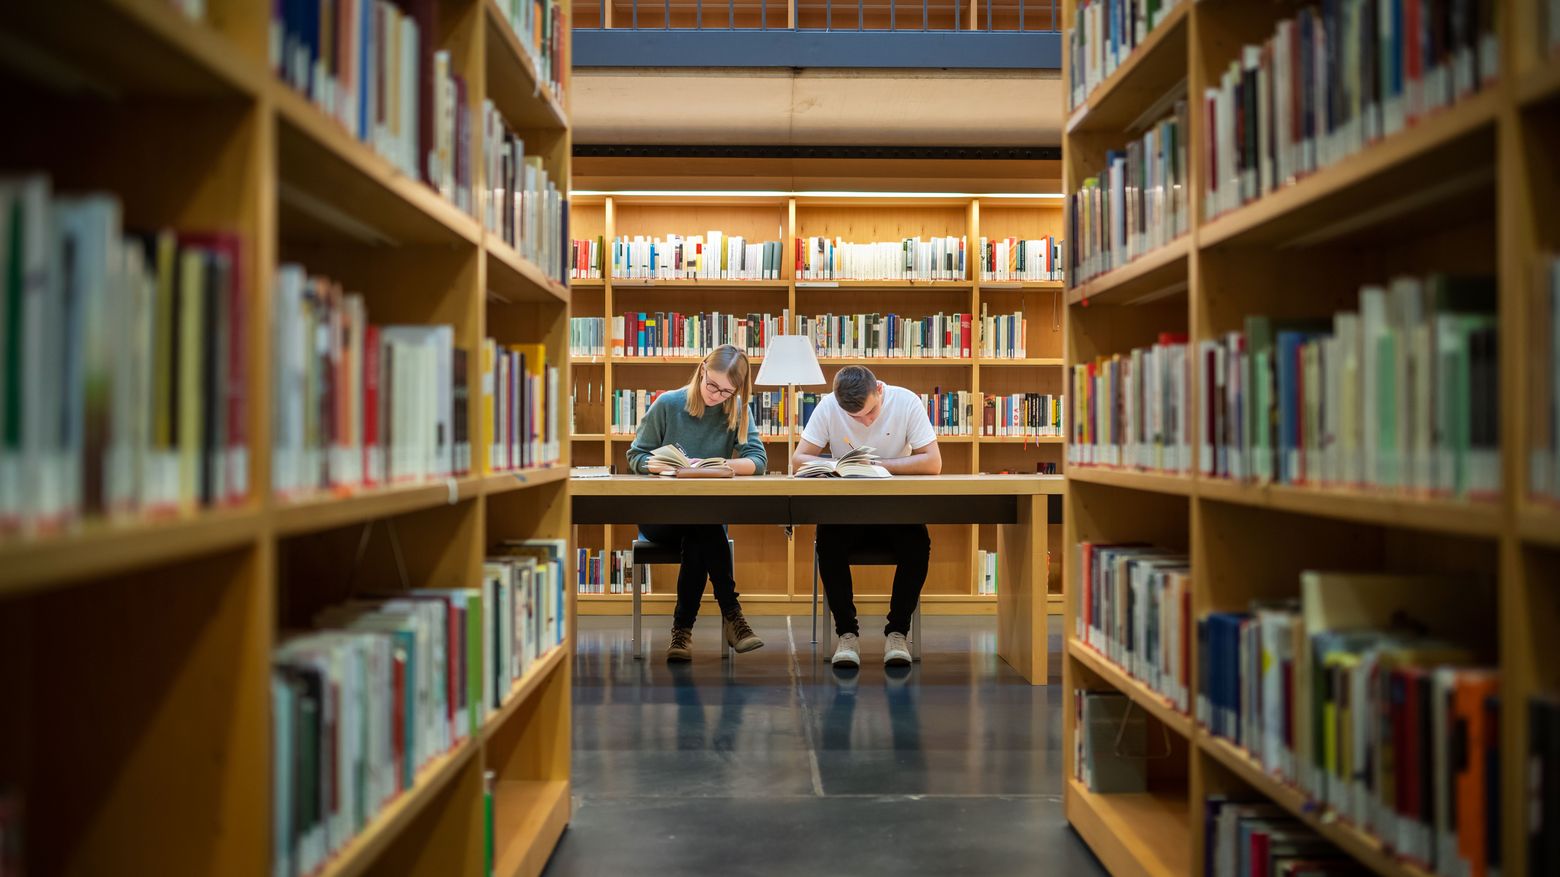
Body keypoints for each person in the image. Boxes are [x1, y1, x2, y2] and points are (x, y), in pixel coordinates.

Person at [791, 365, 942, 668]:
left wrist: (880, 464)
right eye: (856, 419)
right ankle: (847, 634)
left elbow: (933, 462)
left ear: (879, 391)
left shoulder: (906, 401)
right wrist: (838, 464)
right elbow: (798, 459)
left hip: (894, 507)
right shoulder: (828, 406)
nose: (866, 422)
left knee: (918, 545)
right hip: (846, 508)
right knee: (828, 543)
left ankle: (897, 632)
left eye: (871, 413)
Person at [626, 345, 767, 662]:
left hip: (703, 516)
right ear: (702, 369)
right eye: (712, 385)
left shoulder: (737, 410)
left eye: (727, 391)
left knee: (700, 528)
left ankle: (682, 634)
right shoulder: (668, 404)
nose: (717, 395)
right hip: (660, 516)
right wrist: (670, 468)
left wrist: (716, 467)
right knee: (705, 527)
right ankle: (732, 616)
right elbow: (635, 456)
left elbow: (758, 460)